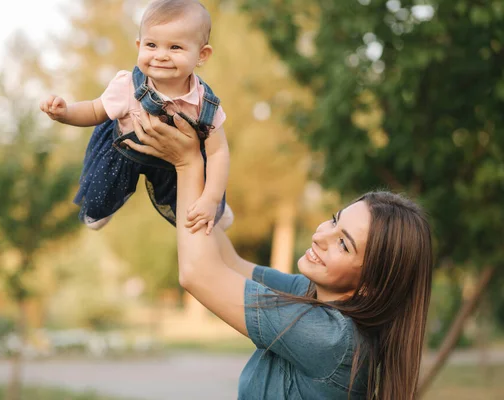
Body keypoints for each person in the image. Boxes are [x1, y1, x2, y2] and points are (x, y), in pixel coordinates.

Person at [123, 110, 434, 400]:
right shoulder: (307, 293)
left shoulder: (333, 339)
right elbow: (229, 263)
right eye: (335, 220)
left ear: (371, 285)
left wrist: (188, 164)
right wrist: (180, 174)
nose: (321, 235)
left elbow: (198, 274)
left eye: (343, 244)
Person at [39, 0, 231, 233]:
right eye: (152, 45)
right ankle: (104, 209)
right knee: (101, 192)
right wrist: (65, 113)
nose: (161, 55)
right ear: (139, 45)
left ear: (202, 54)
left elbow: (218, 152)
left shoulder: (204, 103)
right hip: (123, 150)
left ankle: (219, 208)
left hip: (171, 165)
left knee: (193, 209)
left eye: (175, 48)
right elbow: (94, 110)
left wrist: (211, 199)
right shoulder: (127, 85)